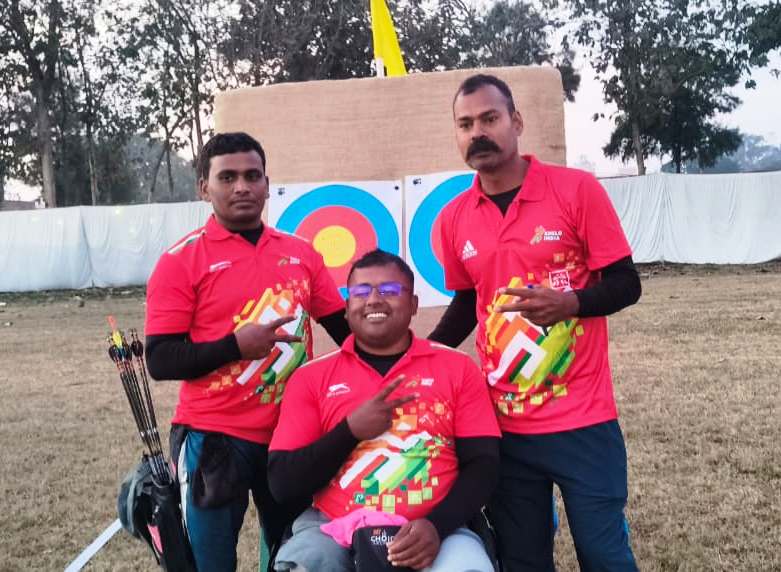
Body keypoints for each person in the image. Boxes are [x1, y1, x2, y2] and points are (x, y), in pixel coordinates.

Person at [428, 74, 642, 571]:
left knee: (604, 555)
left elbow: (626, 283)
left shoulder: (575, 190)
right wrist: (422, 355)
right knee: (523, 559)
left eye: (490, 118)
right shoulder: (453, 217)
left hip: (583, 418)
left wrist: (571, 304)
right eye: (465, 124)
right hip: (503, 425)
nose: (478, 132)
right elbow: (467, 301)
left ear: (517, 122)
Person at [144, 132, 350, 571]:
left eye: (252, 176)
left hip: (293, 435)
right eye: (228, 177)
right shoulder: (180, 261)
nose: (242, 187)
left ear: (267, 184)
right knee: (209, 563)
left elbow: (344, 329)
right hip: (214, 440)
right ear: (204, 187)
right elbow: (160, 359)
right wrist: (236, 346)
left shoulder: (301, 254)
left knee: (296, 557)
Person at [268, 249, 501, 571]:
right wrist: (350, 431)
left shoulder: (458, 368)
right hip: (333, 528)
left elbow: (484, 464)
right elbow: (283, 483)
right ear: (347, 308)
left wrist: (436, 526)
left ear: (414, 304)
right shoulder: (311, 377)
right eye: (361, 292)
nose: (374, 300)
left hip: (438, 527)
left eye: (390, 290)